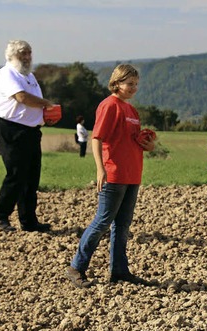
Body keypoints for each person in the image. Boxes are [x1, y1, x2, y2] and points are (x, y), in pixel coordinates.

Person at [66, 64, 156, 288]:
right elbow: (97, 138)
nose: (134, 88)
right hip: (114, 173)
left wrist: (150, 144)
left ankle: (119, 271)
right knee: (103, 221)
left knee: (122, 226)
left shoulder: (132, 111)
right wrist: (100, 168)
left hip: (133, 173)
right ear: (116, 83)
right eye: (129, 84)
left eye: (136, 84)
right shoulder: (109, 106)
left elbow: (135, 142)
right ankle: (76, 267)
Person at [0, 40, 55, 232]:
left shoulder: (30, 76)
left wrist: (46, 116)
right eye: (22, 53)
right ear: (11, 55)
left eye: (29, 53)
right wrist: (47, 103)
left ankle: (28, 221)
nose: (27, 57)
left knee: (31, 177)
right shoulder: (6, 73)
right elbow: (22, 98)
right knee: (16, 174)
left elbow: (31, 103)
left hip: (31, 131)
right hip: (12, 130)